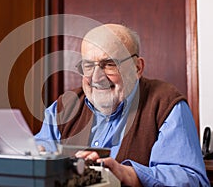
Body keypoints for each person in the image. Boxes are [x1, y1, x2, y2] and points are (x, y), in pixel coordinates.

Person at [34, 23, 210, 186]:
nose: (96, 77)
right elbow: (34, 158)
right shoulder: (64, 107)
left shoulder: (165, 104)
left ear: (137, 68)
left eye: (109, 64)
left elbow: (192, 179)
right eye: (88, 65)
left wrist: (127, 174)